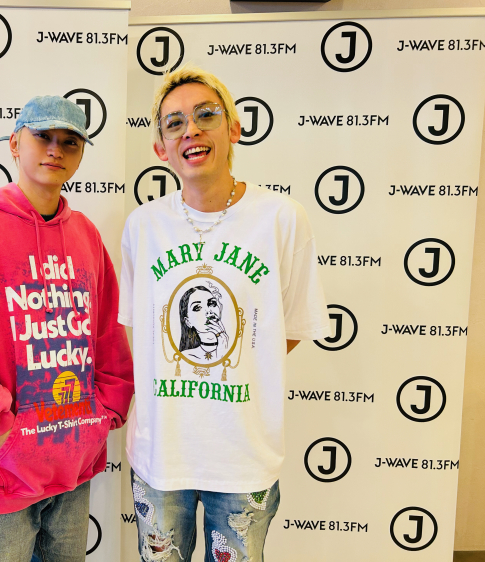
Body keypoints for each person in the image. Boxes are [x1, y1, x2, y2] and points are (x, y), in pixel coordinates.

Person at [119, 65, 331, 562]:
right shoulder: (143, 226)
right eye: (174, 123)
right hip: (160, 453)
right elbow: (139, 330)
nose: (190, 130)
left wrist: (240, 362)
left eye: (206, 115)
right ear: (161, 148)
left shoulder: (282, 218)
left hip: (243, 456)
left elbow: (288, 328)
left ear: (233, 129)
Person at [0, 95, 134, 562]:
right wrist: (1, 430)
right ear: (15, 144)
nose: (56, 149)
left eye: (70, 141)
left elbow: (106, 334)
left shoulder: (85, 234)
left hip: (73, 466)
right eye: (43, 136)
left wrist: (101, 417)